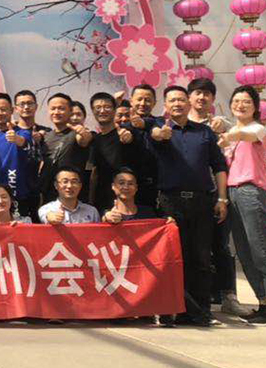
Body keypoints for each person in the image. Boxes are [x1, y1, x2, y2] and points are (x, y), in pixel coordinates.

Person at [148, 85, 229, 327]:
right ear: (165, 105)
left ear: (188, 103)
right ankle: (173, 310)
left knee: (202, 258)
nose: (177, 104)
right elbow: (154, 136)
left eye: (181, 99)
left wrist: (222, 199)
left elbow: (219, 166)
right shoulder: (159, 128)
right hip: (170, 203)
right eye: (172, 100)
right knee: (173, 258)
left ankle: (201, 312)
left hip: (202, 201)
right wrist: (159, 135)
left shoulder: (204, 132)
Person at [219, 86, 266, 325]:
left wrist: (227, 135)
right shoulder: (231, 133)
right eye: (236, 101)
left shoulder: (257, 129)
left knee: (260, 248)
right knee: (244, 252)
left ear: (255, 107)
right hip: (232, 193)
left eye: (246, 101)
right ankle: (262, 302)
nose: (240, 105)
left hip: (251, 192)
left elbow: (245, 135)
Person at [186, 78, 240, 316]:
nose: (202, 97)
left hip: (217, 194)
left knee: (221, 246)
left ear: (213, 99)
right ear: (189, 97)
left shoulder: (223, 124)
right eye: (197, 93)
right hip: (192, 195)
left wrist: (222, 198)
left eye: (207, 94)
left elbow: (244, 136)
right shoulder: (179, 124)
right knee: (194, 248)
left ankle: (229, 296)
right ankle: (197, 298)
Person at [0, 93, 35, 218]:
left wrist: (17, 139)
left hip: (18, 195)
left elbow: (24, 142)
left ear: (12, 110)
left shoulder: (23, 133)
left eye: (3, 109)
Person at [87, 92, 139, 208]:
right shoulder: (95, 139)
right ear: (92, 111)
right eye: (98, 108)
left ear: (115, 109)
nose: (102, 111)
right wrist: (91, 200)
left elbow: (131, 140)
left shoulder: (126, 132)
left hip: (127, 201)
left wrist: (128, 138)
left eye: (107, 107)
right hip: (102, 202)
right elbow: (94, 172)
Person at [37, 93, 92, 203]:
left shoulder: (76, 133)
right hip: (49, 196)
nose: (56, 112)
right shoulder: (46, 136)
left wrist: (83, 134)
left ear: (70, 111)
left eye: (61, 108)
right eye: (53, 108)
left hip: (72, 196)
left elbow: (84, 140)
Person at [12, 90, 47, 216]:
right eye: (22, 104)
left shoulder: (46, 132)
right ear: (15, 108)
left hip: (41, 191)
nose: (26, 107)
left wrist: (41, 138)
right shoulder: (10, 132)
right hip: (16, 189)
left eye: (30, 103)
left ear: (36, 106)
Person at [100, 168, 166, 223]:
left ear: (136, 188)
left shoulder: (148, 213)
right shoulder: (107, 214)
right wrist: (105, 219)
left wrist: (168, 222)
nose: (126, 187)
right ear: (113, 186)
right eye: (121, 183)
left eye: (130, 183)